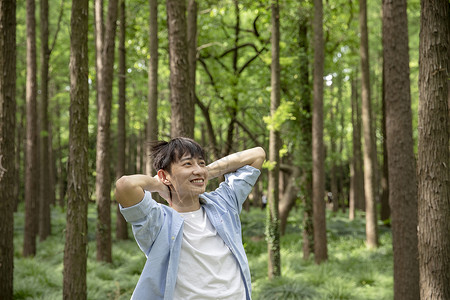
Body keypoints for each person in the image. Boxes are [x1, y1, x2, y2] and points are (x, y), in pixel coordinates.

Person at [115, 137, 266, 300]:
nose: (198, 169)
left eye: (201, 162)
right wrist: (158, 184)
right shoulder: (158, 221)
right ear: (164, 176)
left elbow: (257, 154)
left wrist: (206, 172)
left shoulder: (223, 204)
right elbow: (125, 186)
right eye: (187, 164)